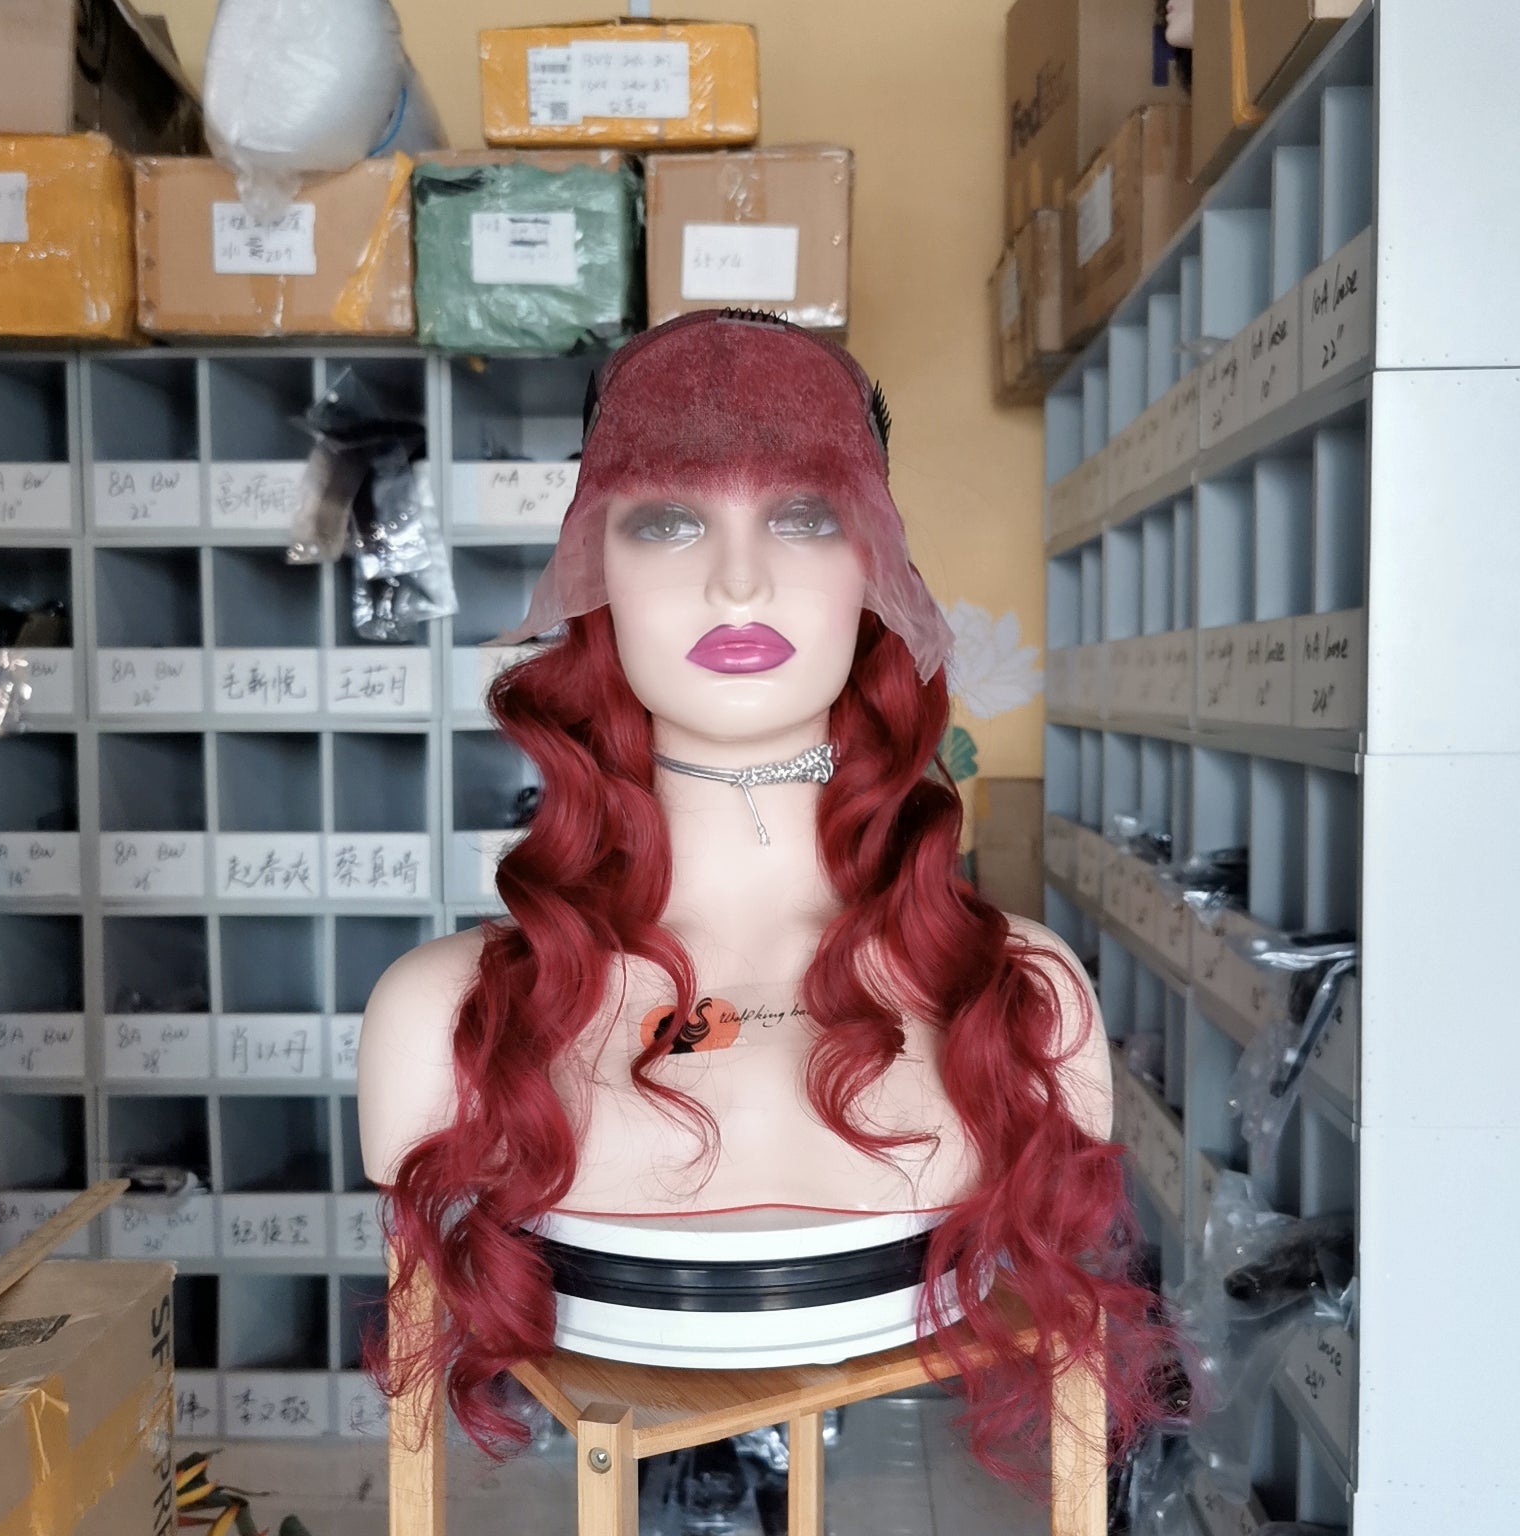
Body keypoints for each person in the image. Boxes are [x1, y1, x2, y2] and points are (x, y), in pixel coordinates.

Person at [358, 310, 1170, 1490]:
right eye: (667, 520)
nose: (737, 580)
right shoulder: (440, 1020)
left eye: (803, 515)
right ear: (595, 568)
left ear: (875, 565)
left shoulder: (1028, 1004)